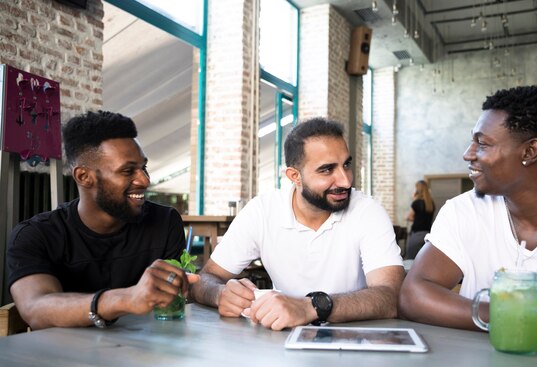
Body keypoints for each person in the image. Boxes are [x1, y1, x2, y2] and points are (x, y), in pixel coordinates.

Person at [399, 86, 537, 345]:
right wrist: (522, 319)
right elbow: (412, 295)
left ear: (530, 152)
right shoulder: (462, 210)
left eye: (482, 144)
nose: (468, 154)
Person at [190, 117, 405, 330]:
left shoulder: (367, 211)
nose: (345, 181)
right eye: (327, 170)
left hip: (356, 340)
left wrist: (311, 307)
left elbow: (390, 296)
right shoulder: (262, 212)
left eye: (346, 165)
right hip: (281, 341)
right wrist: (221, 294)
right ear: (295, 176)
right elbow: (205, 279)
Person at [7, 110, 197, 330]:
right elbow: (35, 308)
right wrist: (124, 299)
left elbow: (173, 307)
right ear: (84, 177)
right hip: (63, 359)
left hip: (144, 357)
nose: (144, 180)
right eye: (128, 171)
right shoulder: (36, 236)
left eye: (143, 167)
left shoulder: (164, 222)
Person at [404, 180, 435, 259]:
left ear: (417, 190)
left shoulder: (416, 203)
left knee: (411, 259)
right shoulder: (431, 203)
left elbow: (408, 217)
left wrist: (414, 199)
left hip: (416, 235)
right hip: (428, 234)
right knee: (424, 259)